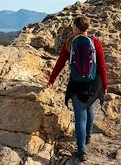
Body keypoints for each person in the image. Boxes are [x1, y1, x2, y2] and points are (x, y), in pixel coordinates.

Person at [47, 16, 107, 162]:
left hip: (76, 84)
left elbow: (60, 63)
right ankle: (88, 137)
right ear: (87, 28)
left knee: (80, 117)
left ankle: (81, 151)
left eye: (73, 26)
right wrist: (104, 85)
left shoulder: (69, 44)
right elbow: (102, 66)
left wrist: (52, 80)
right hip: (93, 83)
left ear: (75, 27)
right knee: (90, 107)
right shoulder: (96, 43)